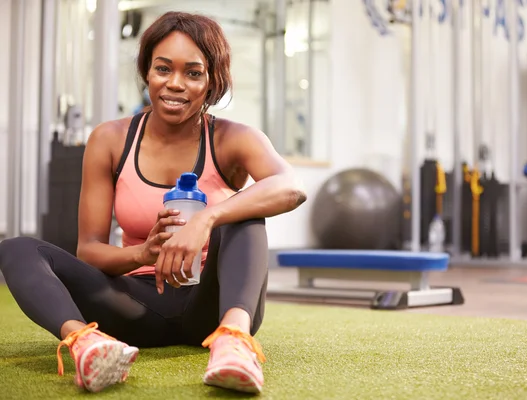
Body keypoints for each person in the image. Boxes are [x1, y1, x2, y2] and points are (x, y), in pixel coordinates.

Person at [0, 11, 306, 395]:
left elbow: (290, 187)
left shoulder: (233, 138)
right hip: (135, 308)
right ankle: (88, 346)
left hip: (210, 308)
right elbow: (89, 250)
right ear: (147, 72)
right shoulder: (110, 140)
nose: (175, 84)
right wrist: (142, 254)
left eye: (193, 73)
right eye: (163, 69)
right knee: (16, 248)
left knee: (246, 212)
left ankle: (234, 343)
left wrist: (207, 218)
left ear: (213, 82)